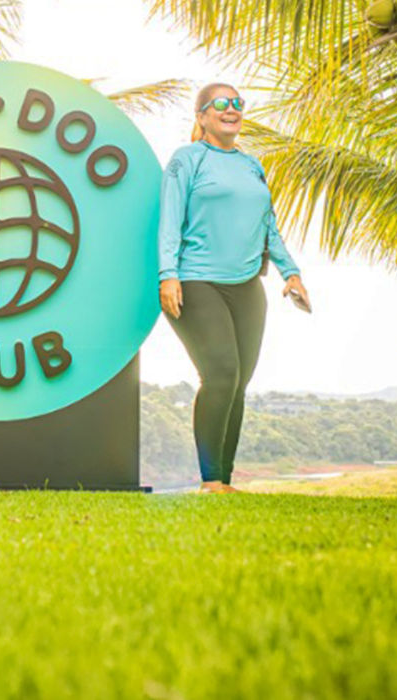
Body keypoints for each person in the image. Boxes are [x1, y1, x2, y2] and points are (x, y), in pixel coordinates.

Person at [158, 83, 310, 494]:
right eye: (221, 103)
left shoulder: (251, 165)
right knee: (221, 374)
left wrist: (290, 272)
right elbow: (169, 217)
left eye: (238, 104)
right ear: (202, 116)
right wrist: (167, 274)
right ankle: (210, 481)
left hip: (246, 286)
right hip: (196, 281)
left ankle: (223, 480)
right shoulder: (186, 159)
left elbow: (268, 225)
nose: (232, 109)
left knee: (238, 381)